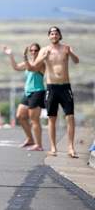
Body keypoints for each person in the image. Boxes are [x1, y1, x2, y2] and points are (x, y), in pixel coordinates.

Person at [24, 26, 79, 158]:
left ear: (60, 36)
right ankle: (53, 147)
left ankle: (71, 147)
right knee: (51, 118)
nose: (54, 35)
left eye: (56, 33)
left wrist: (70, 53)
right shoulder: (45, 50)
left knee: (70, 117)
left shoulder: (66, 48)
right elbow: (33, 67)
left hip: (65, 87)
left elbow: (76, 61)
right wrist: (27, 58)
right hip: (51, 88)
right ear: (49, 36)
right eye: (52, 34)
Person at [3, 43, 45, 151]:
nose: (33, 52)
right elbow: (16, 67)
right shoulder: (28, 62)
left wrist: (25, 57)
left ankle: (38, 145)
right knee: (20, 116)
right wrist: (10, 55)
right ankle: (30, 139)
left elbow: (32, 68)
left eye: (36, 50)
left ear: (39, 51)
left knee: (34, 119)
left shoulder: (40, 63)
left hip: (38, 92)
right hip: (27, 92)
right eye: (31, 50)